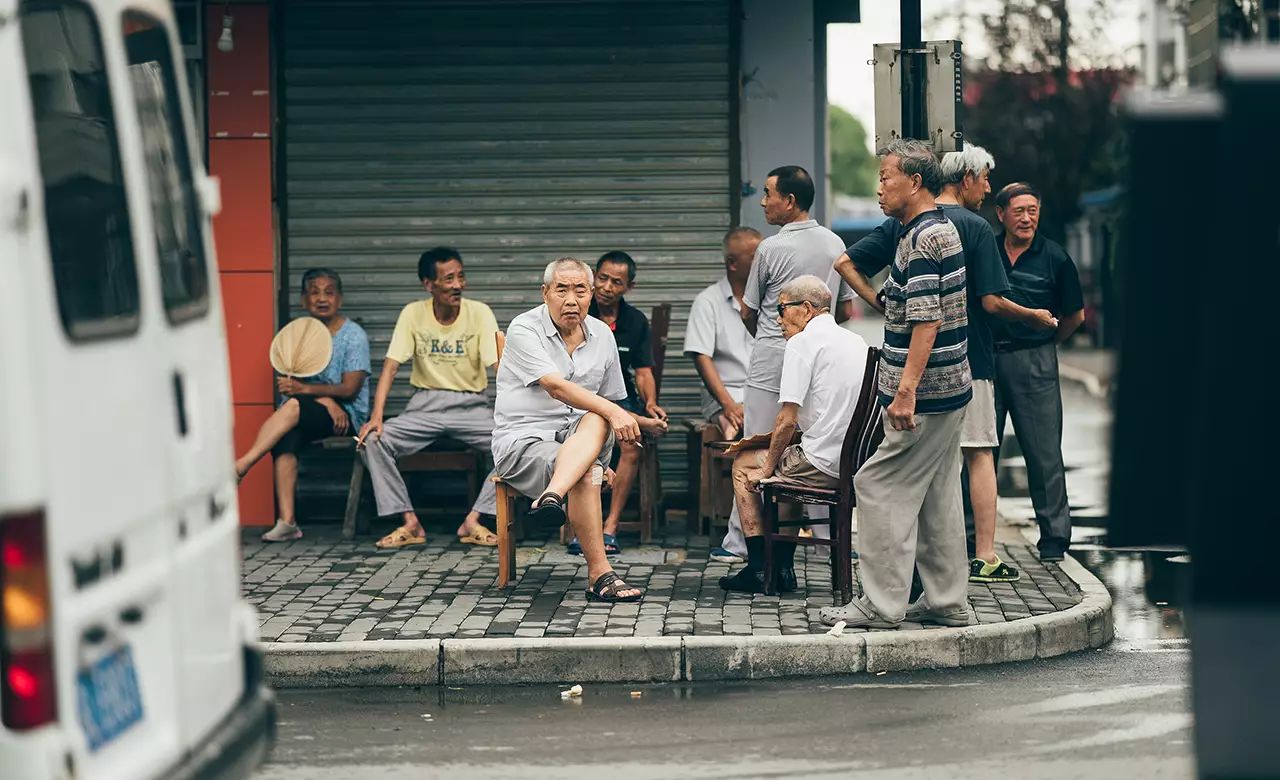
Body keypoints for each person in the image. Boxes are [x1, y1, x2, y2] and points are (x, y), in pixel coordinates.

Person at [834, 144, 1057, 584]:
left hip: (922, 380)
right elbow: (981, 303)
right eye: (984, 179)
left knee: (903, 482)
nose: (987, 189)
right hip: (963, 368)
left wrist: (881, 307)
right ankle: (972, 565)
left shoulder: (914, 232)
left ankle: (903, 588)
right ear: (967, 178)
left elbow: (855, 269)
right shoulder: (963, 228)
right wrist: (1032, 315)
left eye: (885, 178)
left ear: (916, 182)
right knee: (965, 467)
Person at [820, 139, 972, 629]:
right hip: (949, 388)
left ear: (916, 182)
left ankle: (881, 605)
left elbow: (927, 320)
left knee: (877, 485)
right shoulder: (933, 230)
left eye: (886, 177)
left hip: (923, 397)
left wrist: (905, 392)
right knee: (938, 494)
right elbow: (909, 306)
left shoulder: (922, 239)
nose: (879, 188)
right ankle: (947, 602)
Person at [713, 165, 855, 564]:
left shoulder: (770, 248)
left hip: (770, 363)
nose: (762, 202)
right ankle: (826, 540)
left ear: (789, 201)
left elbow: (748, 310)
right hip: (820, 364)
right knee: (810, 441)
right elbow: (844, 310)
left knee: (756, 447)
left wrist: (772, 335)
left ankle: (744, 543)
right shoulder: (835, 243)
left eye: (768, 193)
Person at [493, 258, 645, 602]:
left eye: (580, 290)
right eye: (561, 290)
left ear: (591, 294)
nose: (571, 300)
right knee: (587, 471)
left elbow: (607, 401)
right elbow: (555, 387)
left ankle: (551, 496)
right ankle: (600, 575)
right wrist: (603, 447)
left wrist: (610, 424)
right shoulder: (524, 328)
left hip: (580, 441)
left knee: (597, 416)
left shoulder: (602, 334)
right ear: (545, 292)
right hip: (524, 442)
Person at [719, 276, 866, 593]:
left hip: (822, 465)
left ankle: (759, 566)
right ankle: (782, 569)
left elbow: (787, 419)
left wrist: (767, 468)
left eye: (782, 308)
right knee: (789, 464)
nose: (777, 319)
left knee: (744, 463)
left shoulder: (802, 343)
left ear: (807, 309)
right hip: (855, 464)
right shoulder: (856, 342)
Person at [356, 247, 502, 550]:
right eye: (449, 279)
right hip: (424, 406)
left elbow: (498, 366)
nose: (458, 285)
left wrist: (515, 416)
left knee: (518, 444)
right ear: (428, 284)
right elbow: (391, 366)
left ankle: (475, 518)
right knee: (372, 441)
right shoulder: (413, 313)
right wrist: (376, 417)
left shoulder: (480, 312)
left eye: (461, 277)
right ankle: (409, 521)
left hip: (471, 406)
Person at [235, 268, 370, 542]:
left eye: (329, 292)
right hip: (309, 410)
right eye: (314, 292)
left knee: (294, 406)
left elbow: (350, 388)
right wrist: (323, 399)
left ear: (340, 299)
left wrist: (307, 391)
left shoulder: (353, 335)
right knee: (285, 436)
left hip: (346, 415)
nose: (322, 298)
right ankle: (288, 523)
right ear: (303, 300)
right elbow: (290, 385)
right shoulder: (296, 336)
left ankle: (243, 464)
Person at [991, 182, 1086, 562]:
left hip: (1035, 360)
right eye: (1019, 211)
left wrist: (1046, 344)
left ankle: (1054, 539)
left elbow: (1075, 316)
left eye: (1033, 210)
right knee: (980, 451)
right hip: (988, 361)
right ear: (1001, 214)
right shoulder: (987, 251)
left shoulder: (1055, 257)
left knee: (1044, 452)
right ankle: (971, 535)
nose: (1027, 218)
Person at [582, 251, 668, 554]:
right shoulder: (580, 312)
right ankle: (584, 526)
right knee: (583, 444)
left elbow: (643, 371)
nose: (607, 287)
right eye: (602, 278)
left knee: (631, 444)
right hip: (584, 397)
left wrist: (651, 402)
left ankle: (610, 526)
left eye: (616, 282)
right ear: (593, 277)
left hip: (621, 397)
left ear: (629, 286)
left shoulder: (635, 321)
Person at [684, 227, 759, 437]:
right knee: (733, 428)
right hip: (723, 395)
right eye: (756, 257)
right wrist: (729, 405)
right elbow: (701, 357)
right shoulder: (707, 302)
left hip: (762, 394)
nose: (764, 263)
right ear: (732, 263)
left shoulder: (770, 300)